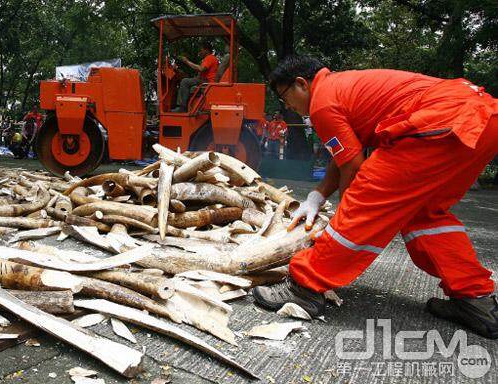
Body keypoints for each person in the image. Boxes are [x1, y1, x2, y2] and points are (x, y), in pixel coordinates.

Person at [252, 55, 498, 339]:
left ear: (301, 84)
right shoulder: (341, 88)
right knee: (426, 215)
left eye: (285, 98)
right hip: (483, 120)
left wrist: (344, 218)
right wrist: (317, 196)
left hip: (440, 123)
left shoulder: (322, 102)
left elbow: (354, 169)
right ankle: (475, 299)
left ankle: (303, 287)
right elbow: (345, 155)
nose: (288, 107)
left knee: (367, 197)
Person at [172, 41, 219, 112]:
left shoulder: (210, 58)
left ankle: (182, 107)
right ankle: (186, 106)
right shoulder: (210, 59)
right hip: (204, 80)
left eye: (201, 50)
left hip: (207, 82)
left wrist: (187, 61)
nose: (200, 52)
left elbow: (201, 69)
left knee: (185, 81)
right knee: (186, 80)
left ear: (206, 50)